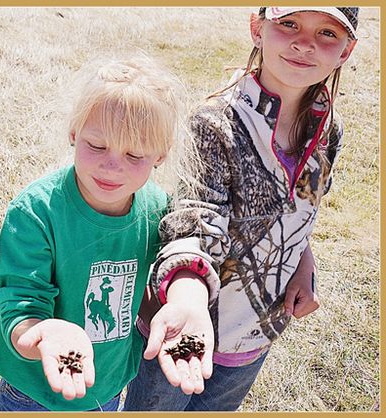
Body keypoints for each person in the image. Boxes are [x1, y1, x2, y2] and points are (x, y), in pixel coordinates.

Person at [123, 7, 359, 411]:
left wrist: (303, 260)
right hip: (184, 325)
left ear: (346, 52)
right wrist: (189, 302)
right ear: (257, 28)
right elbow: (195, 222)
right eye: (288, 24)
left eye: (327, 33)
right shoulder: (215, 124)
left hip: (255, 333)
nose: (305, 43)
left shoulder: (329, 129)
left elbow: (303, 209)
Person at [0, 54, 183, 411]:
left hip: (105, 385)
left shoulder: (159, 210)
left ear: (161, 155)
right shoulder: (36, 211)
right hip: (33, 390)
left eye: (135, 154)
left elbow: (150, 291)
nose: (112, 164)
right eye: (97, 145)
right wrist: (45, 335)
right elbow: (19, 308)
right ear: (74, 133)